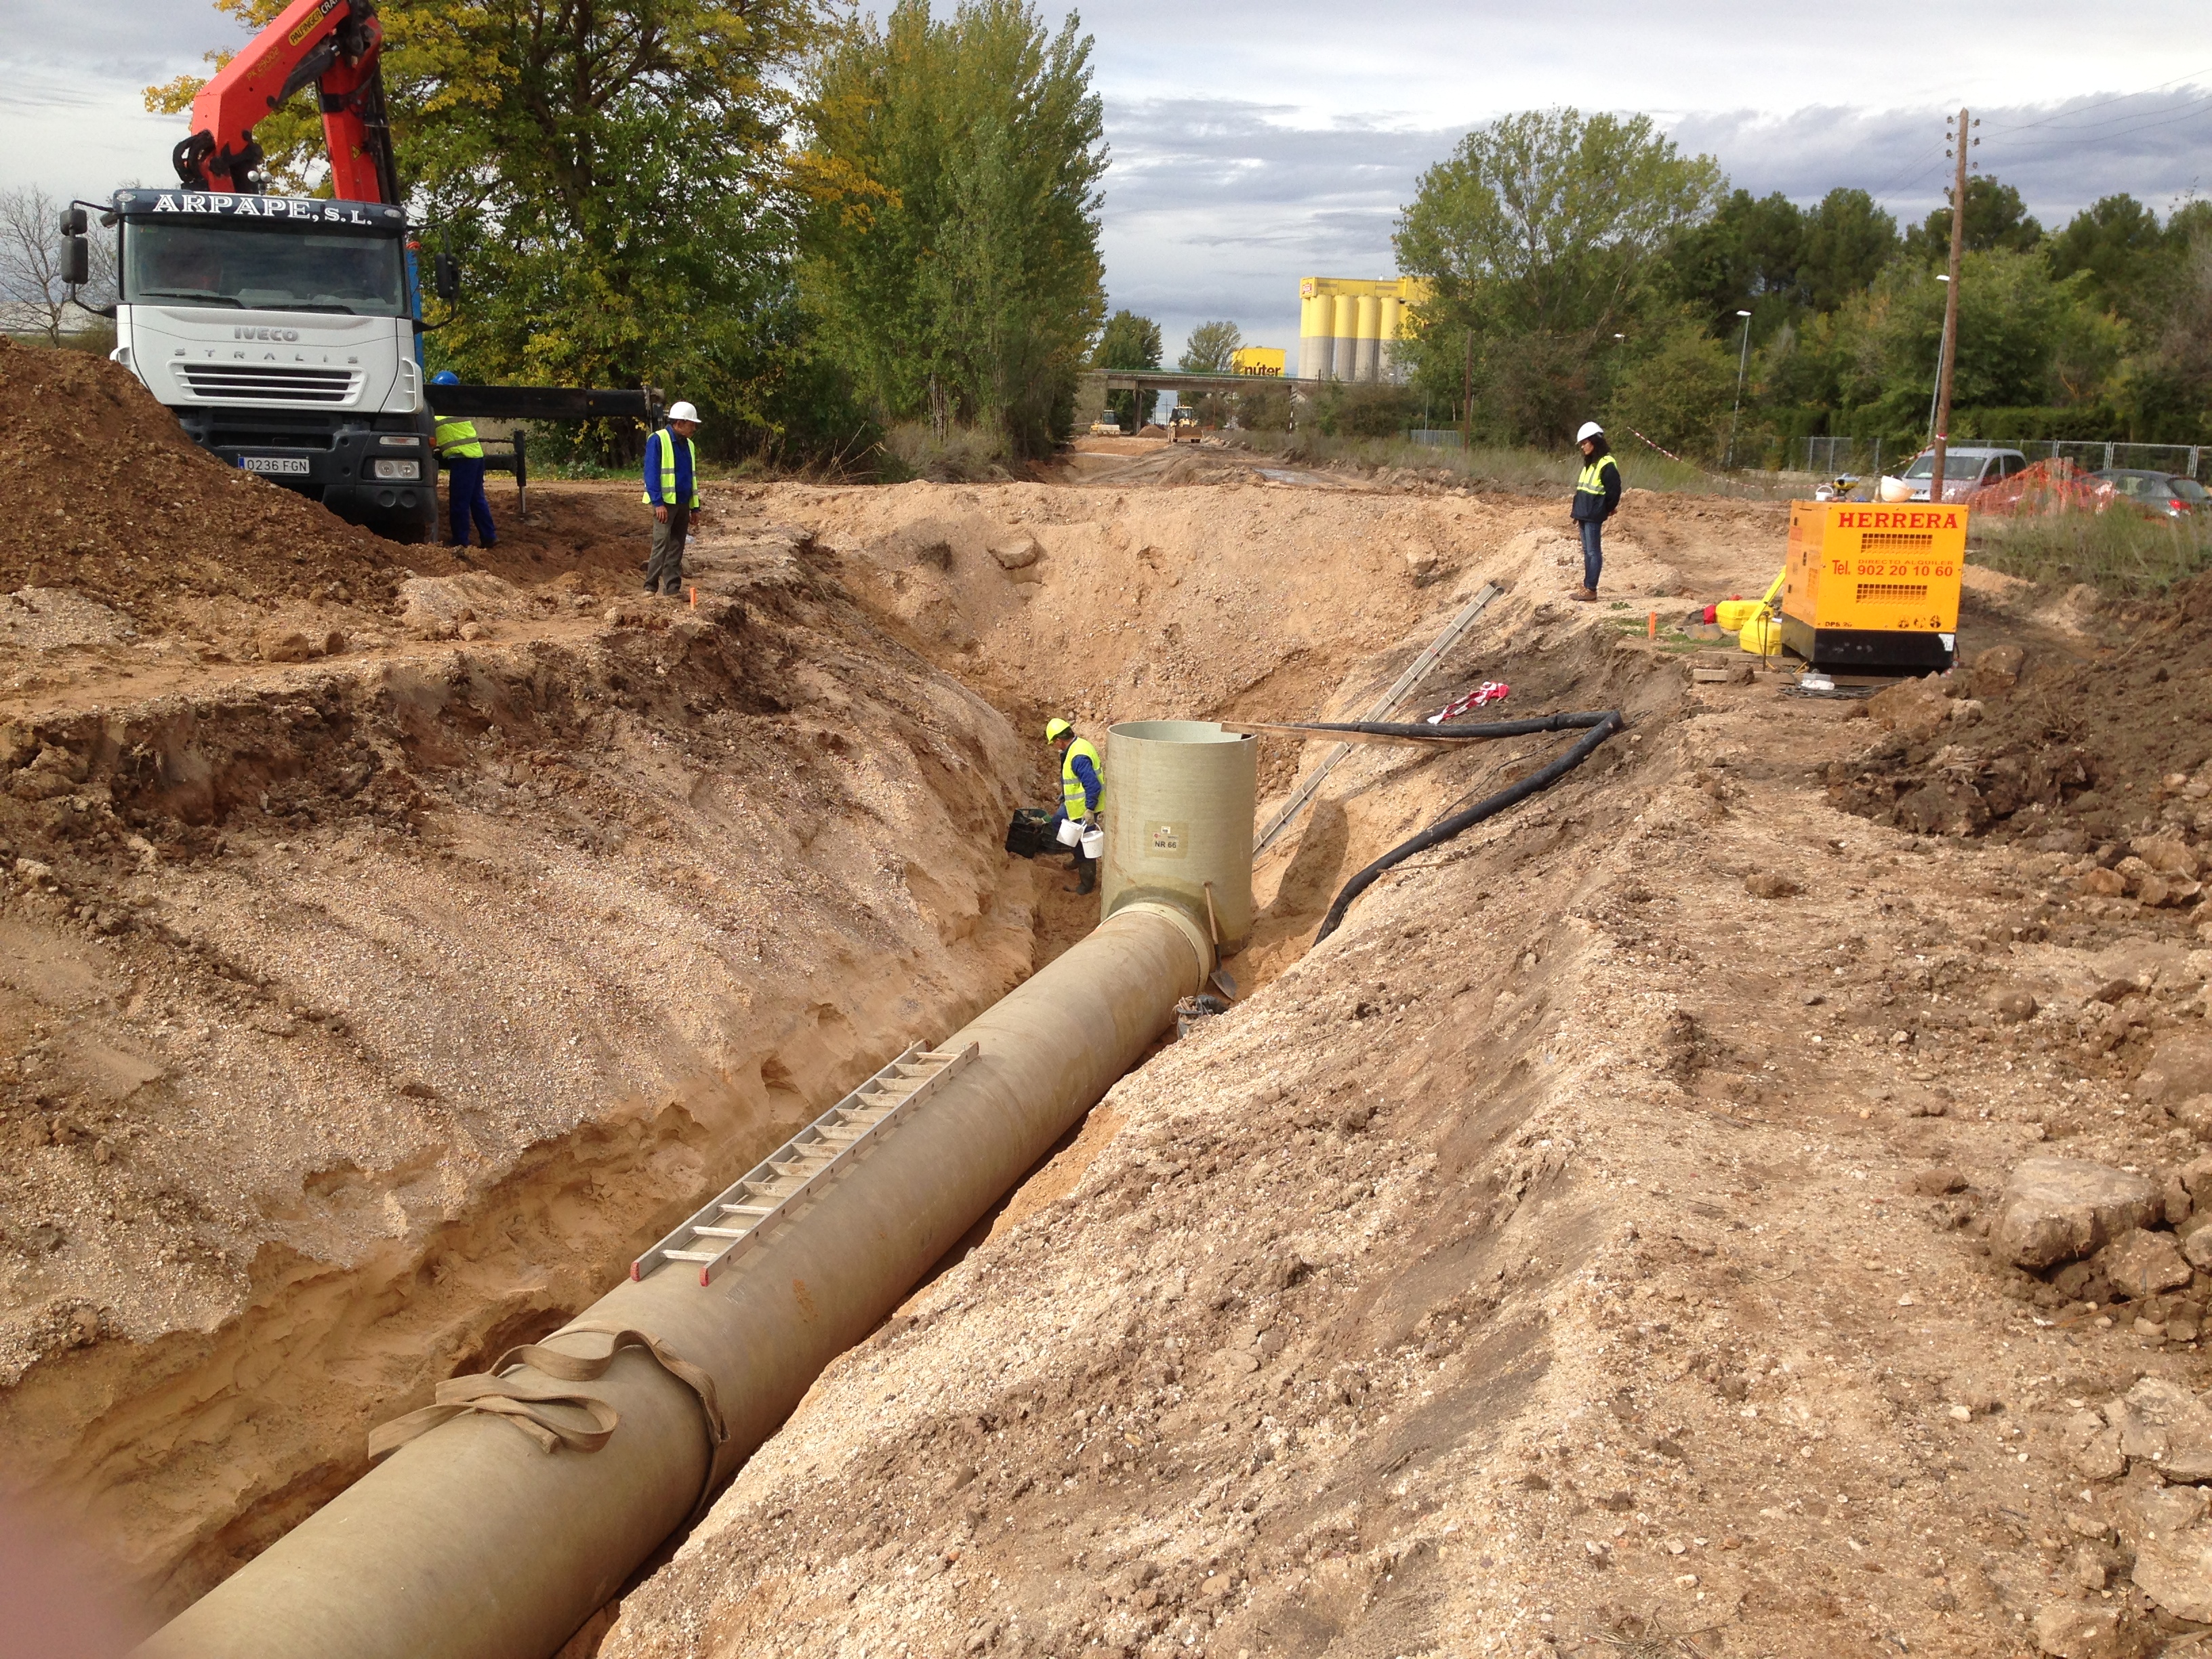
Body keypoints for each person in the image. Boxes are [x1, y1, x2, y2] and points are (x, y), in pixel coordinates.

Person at [642, 401, 703, 597]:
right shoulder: (658, 440)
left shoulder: (690, 445)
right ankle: (650, 587)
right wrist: (658, 503)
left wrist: (695, 508)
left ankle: (672, 588)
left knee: (677, 546)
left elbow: (691, 478)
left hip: (683, 503)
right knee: (661, 544)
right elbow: (651, 474)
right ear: (680, 422)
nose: (694, 428)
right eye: (691, 424)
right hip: (666, 504)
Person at [430, 371, 495, 550]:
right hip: (476, 456)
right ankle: (489, 537)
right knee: (477, 499)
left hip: (463, 459)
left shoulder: (436, 413)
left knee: (459, 502)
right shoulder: (460, 409)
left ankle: (461, 541)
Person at [1046, 716, 1103, 895]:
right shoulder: (1076, 747)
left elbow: (1093, 785)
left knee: (1084, 843)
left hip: (1084, 807)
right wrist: (1066, 794)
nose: (1055, 746)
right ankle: (1077, 858)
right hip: (1074, 805)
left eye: (1054, 743)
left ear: (1059, 740)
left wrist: (1090, 810)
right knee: (1058, 824)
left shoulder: (1077, 756)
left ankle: (1086, 885)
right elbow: (1076, 780)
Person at [1570, 419, 1622, 602]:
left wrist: (1606, 509)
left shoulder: (1606, 464)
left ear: (1594, 441)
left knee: (1593, 552)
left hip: (1593, 514)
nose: (1583, 447)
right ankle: (1588, 585)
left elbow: (1614, 491)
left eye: (1585, 443)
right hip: (1584, 512)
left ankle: (1591, 589)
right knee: (1587, 551)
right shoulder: (1591, 463)